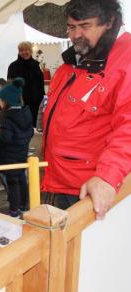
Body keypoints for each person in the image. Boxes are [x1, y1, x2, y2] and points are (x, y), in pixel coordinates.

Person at [42, 0, 131, 220]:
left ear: (109, 22)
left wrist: (107, 177)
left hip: (87, 189)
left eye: (85, 26)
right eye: (72, 27)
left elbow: (128, 127)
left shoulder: (125, 59)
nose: (76, 35)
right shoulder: (76, 60)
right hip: (56, 179)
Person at [0, 78, 34, 218]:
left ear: (6, 101)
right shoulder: (25, 113)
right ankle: (24, 206)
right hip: (21, 154)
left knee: (12, 185)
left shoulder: (8, 117)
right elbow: (29, 132)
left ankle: (14, 211)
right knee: (21, 181)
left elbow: (5, 139)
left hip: (8, 157)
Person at [7, 41, 45, 127]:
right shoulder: (13, 66)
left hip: (37, 102)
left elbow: (40, 83)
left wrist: (43, 98)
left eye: (27, 50)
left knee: (37, 127)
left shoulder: (36, 65)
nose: (24, 52)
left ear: (31, 51)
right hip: (22, 103)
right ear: (19, 52)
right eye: (22, 50)